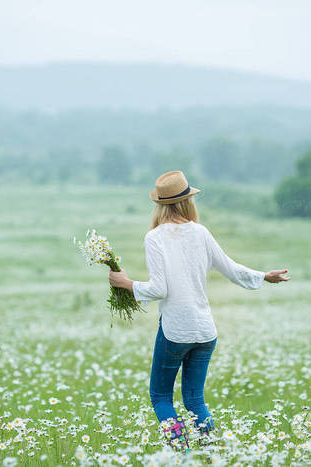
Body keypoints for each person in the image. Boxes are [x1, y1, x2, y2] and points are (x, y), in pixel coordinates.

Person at [108, 170, 290, 451]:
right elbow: (231, 268)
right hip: (205, 331)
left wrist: (126, 283)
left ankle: (183, 454)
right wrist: (264, 276)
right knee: (195, 400)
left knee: (161, 398)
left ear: (159, 204)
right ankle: (211, 453)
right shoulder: (201, 232)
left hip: (176, 331)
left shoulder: (154, 238)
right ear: (188, 201)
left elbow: (159, 289)